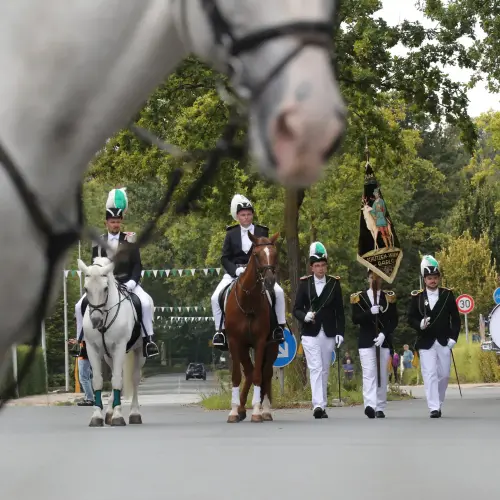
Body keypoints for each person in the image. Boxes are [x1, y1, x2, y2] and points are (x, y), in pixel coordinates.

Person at [74, 188, 159, 358]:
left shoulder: (130, 239)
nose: (116, 225)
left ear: (121, 222)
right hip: (105, 285)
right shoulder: (98, 242)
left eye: (118, 221)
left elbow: (137, 265)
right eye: (112, 221)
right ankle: (80, 342)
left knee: (146, 304)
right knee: (78, 306)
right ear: (106, 223)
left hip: (128, 282)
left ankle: (148, 340)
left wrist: (133, 283)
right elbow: (94, 268)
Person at [211, 194, 286, 350]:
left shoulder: (262, 231)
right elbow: (225, 258)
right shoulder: (231, 233)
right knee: (214, 297)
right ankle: (220, 331)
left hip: (258, 273)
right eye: (243, 215)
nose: (246, 217)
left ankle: (279, 327)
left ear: (252, 215)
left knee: (278, 292)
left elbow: (267, 253)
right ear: (238, 216)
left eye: (249, 214)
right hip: (235, 273)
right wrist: (235, 270)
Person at [293, 242, 345, 419]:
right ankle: (317, 405)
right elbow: (296, 309)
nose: (320, 269)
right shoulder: (305, 284)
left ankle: (322, 405)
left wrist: (340, 332)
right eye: (317, 266)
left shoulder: (333, 283)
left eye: (323, 265)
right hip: (310, 332)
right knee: (314, 367)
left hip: (329, 332)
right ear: (311, 267)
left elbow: (340, 311)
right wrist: (305, 316)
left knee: (324, 369)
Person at [407, 255, 461, 418]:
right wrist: (420, 324)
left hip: (444, 341)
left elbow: (456, 319)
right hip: (426, 341)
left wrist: (454, 338)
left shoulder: (447, 295)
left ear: (439, 279)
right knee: (429, 373)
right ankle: (433, 407)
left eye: (435, 278)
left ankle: (439, 401)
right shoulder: (417, 297)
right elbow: (410, 318)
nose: (433, 281)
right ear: (424, 279)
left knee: (444, 374)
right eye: (429, 278)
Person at [351, 269, 398, 419]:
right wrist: (369, 312)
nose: (375, 280)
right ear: (368, 279)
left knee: (382, 374)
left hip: (383, 341)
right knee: (369, 373)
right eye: (372, 277)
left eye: (377, 278)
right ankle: (370, 405)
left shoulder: (388, 297)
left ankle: (380, 406)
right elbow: (355, 319)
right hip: (366, 341)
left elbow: (394, 320)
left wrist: (384, 334)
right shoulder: (359, 298)